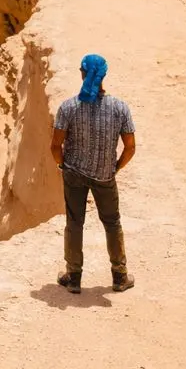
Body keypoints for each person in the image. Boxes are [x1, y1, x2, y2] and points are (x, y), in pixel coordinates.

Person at [50, 54, 136, 295]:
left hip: (74, 174)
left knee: (75, 223)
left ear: (82, 74)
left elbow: (56, 146)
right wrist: (115, 167)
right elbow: (130, 147)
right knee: (112, 223)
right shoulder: (120, 108)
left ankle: (73, 276)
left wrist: (62, 166)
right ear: (104, 75)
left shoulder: (68, 107)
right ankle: (119, 276)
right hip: (105, 176)